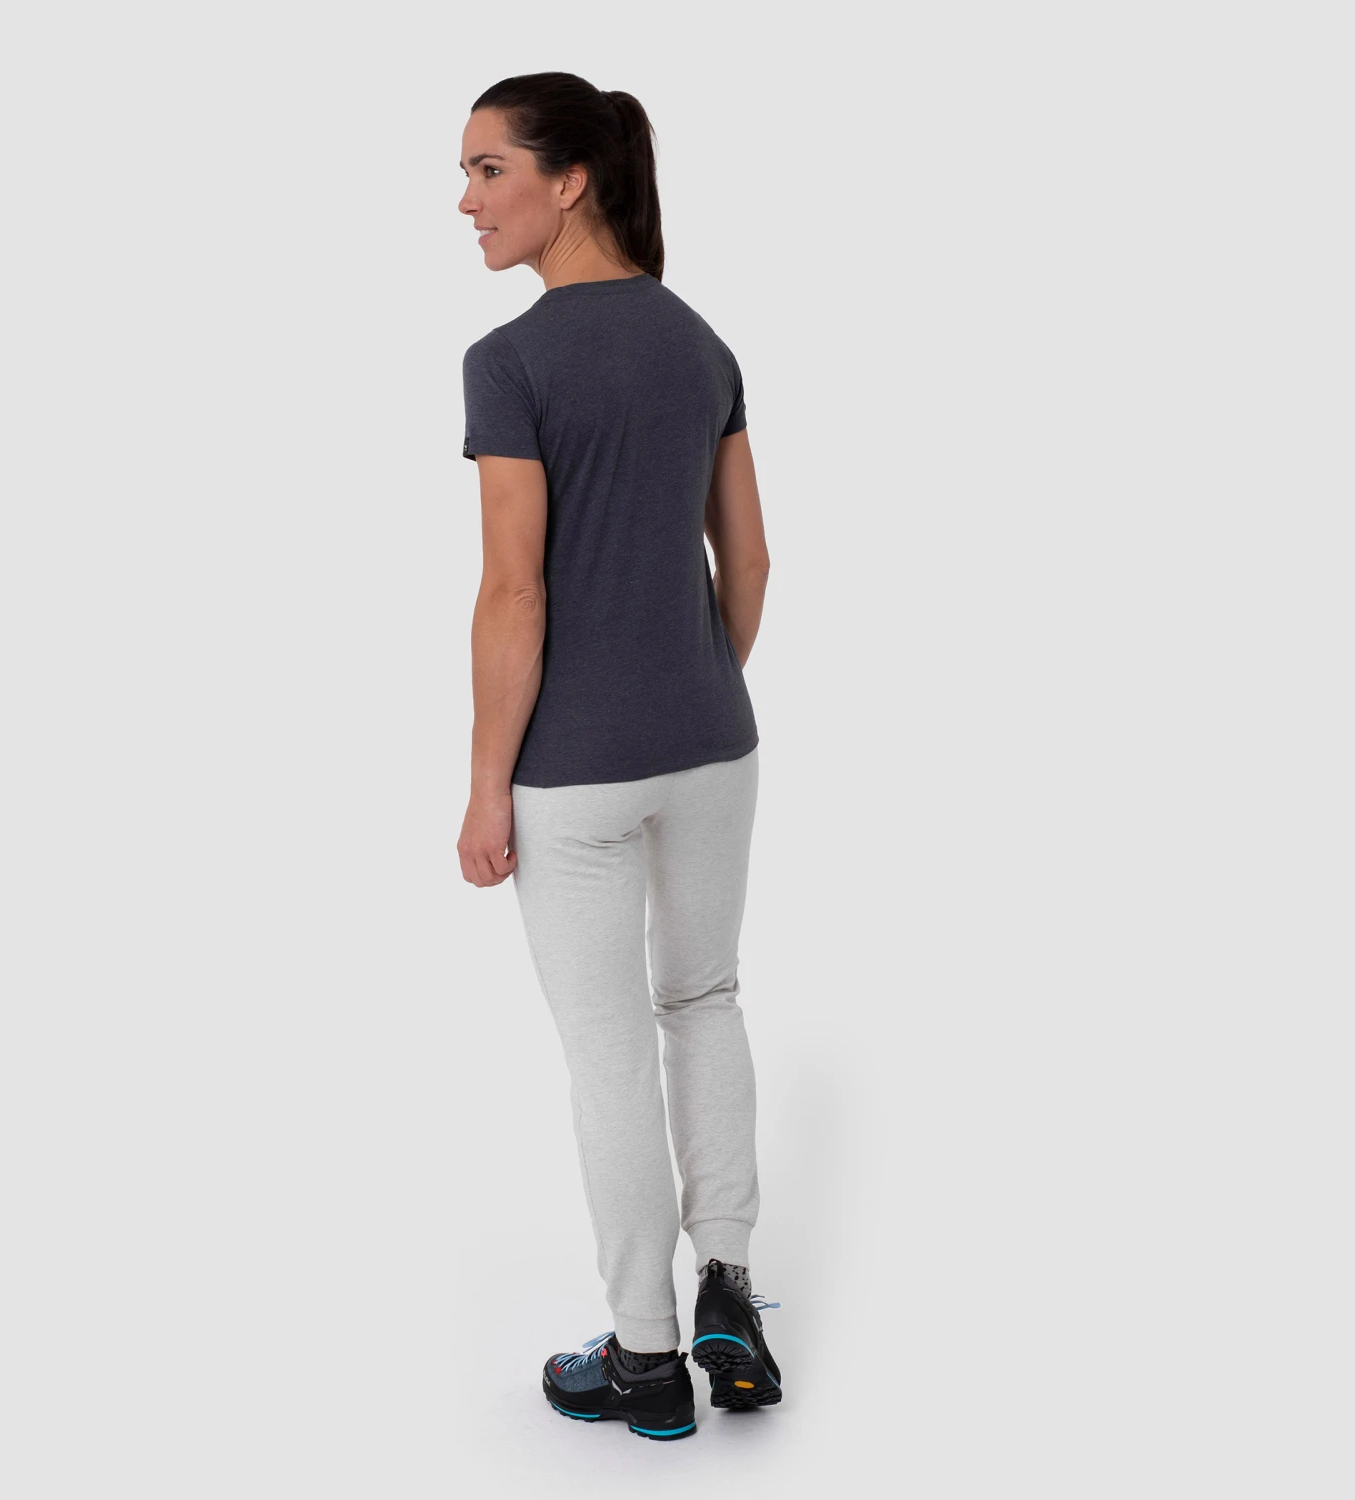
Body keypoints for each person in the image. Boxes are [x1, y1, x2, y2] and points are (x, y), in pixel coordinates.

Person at [455, 73, 778, 1442]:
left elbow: (513, 592)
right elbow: (748, 560)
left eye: (489, 170)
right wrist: (700, 685)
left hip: (573, 772)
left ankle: (647, 1359)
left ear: (570, 179)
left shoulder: (511, 362)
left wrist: (486, 786)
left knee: (608, 1056)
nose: (467, 201)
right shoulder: (702, 344)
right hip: (713, 746)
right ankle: (728, 1292)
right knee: (703, 1001)